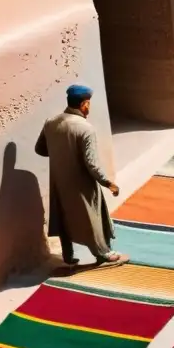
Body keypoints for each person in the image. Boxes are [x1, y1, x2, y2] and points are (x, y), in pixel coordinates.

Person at [35, 85, 127, 268]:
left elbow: (40, 149)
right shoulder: (85, 128)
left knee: (63, 216)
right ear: (84, 104)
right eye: (89, 104)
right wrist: (108, 183)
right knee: (92, 216)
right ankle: (103, 254)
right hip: (81, 183)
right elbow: (91, 164)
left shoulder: (50, 122)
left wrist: (60, 153)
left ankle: (68, 256)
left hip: (59, 182)